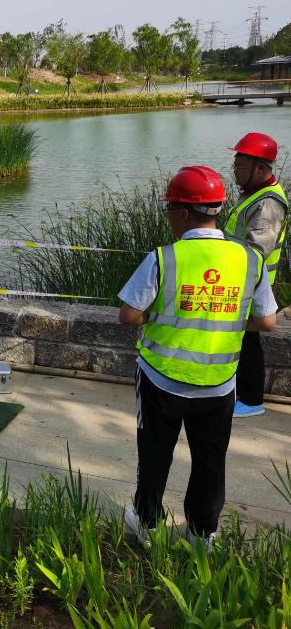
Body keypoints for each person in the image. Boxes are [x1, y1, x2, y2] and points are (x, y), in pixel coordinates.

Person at [118, 166, 277, 550]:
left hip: (161, 380)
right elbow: (267, 320)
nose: (169, 217)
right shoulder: (249, 259)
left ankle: (147, 524)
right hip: (218, 386)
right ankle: (202, 534)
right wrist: (227, 319)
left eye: (169, 209)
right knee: (210, 461)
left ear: (184, 213)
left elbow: (129, 315)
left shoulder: (164, 258)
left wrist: (162, 317)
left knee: (155, 455)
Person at [224, 132, 288, 418]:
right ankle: (243, 395)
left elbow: (256, 251)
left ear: (260, 168)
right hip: (241, 280)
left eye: (240, 166)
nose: (235, 171)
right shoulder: (255, 193)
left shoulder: (268, 203)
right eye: (235, 165)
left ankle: (251, 401)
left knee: (248, 340)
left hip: (250, 283)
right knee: (242, 339)